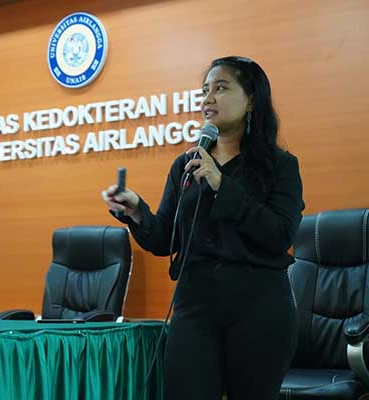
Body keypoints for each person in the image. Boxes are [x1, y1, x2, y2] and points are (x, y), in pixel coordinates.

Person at [101, 56, 304, 399]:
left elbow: (280, 234)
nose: (207, 99)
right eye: (204, 90)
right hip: (195, 308)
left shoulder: (280, 165)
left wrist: (221, 185)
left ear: (251, 99)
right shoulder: (186, 164)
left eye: (220, 88)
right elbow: (165, 239)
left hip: (259, 309)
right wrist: (136, 211)